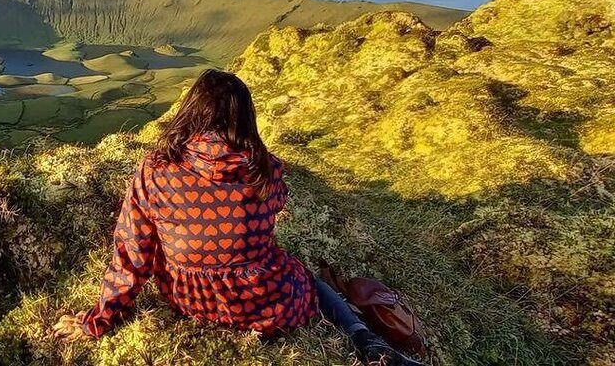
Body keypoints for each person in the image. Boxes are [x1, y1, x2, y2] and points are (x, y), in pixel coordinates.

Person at [53, 69, 424, 366]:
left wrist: (98, 320)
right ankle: (366, 339)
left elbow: (132, 254)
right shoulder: (266, 168)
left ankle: (367, 339)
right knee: (306, 276)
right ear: (245, 119)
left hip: (190, 298)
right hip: (265, 302)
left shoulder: (155, 169)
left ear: (190, 112)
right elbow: (276, 205)